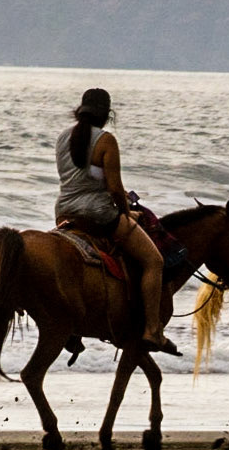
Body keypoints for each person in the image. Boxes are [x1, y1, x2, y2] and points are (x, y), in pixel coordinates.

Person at [55, 87, 178, 354]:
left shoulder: (63, 137)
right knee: (154, 261)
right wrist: (126, 213)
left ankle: (72, 330)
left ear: (80, 111)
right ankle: (152, 330)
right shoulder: (106, 140)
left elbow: (78, 180)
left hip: (64, 212)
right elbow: (114, 188)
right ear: (107, 115)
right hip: (98, 214)